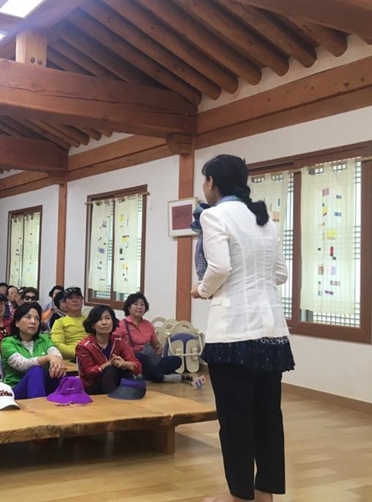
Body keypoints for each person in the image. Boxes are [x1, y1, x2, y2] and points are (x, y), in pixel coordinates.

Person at [191, 154, 294, 502]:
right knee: (268, 417)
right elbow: (280, 274)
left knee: (235, 421)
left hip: (233, 332)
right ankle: (265, 493)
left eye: (204, 180)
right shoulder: (263, 218)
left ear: (211, 182)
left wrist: (202, 289)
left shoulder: (214, 215)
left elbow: (219, 268)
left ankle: (239, 496)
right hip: (272, 332)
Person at [1, 302, 67, 399]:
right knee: (36, 370)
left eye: (37, 318)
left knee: (60, 372)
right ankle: (38, 406)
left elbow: (56, 355)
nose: (33, 321)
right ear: (17, 322)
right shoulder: (7, 342)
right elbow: (23, 364)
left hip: (44, 386)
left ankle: (66, 404)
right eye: (28, 317)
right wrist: (48, 358)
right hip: (17, 389)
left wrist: (55, 359)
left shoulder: (44, 339)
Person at [114, 293, 184, 383]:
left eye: (142, 304)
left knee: (177, 360)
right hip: (133, 359)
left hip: (150, 359)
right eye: (135, 304)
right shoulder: (122, 325)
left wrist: (159, 348)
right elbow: (115, 345)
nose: (139, 307)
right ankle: (160, 378)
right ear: (128, 307)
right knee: (140, 356)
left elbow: (155, 344)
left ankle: (147, 374)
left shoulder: (148, 324)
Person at [76, 305, 141, 395]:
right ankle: (112, 400)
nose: (104, 323)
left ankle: (128, 397)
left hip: (116, 382)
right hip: (93, 386)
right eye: (99, 320)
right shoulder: (84, 346)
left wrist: (124, 364)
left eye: (107, 318)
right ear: (93, 325)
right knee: (110, 369)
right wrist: (108, 364)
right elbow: (88, 373)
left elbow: (138, 367)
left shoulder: (119, 341)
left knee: (126, 370)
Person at [50, 287, 87, 361]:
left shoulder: (89, 321)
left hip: (91, 355)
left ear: (82, 300)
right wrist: (77, 354)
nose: (74, 300)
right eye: (70, 298)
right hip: (72, 359)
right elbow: (57, 344)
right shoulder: (59, 322)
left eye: (77, 297)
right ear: (65, 302)